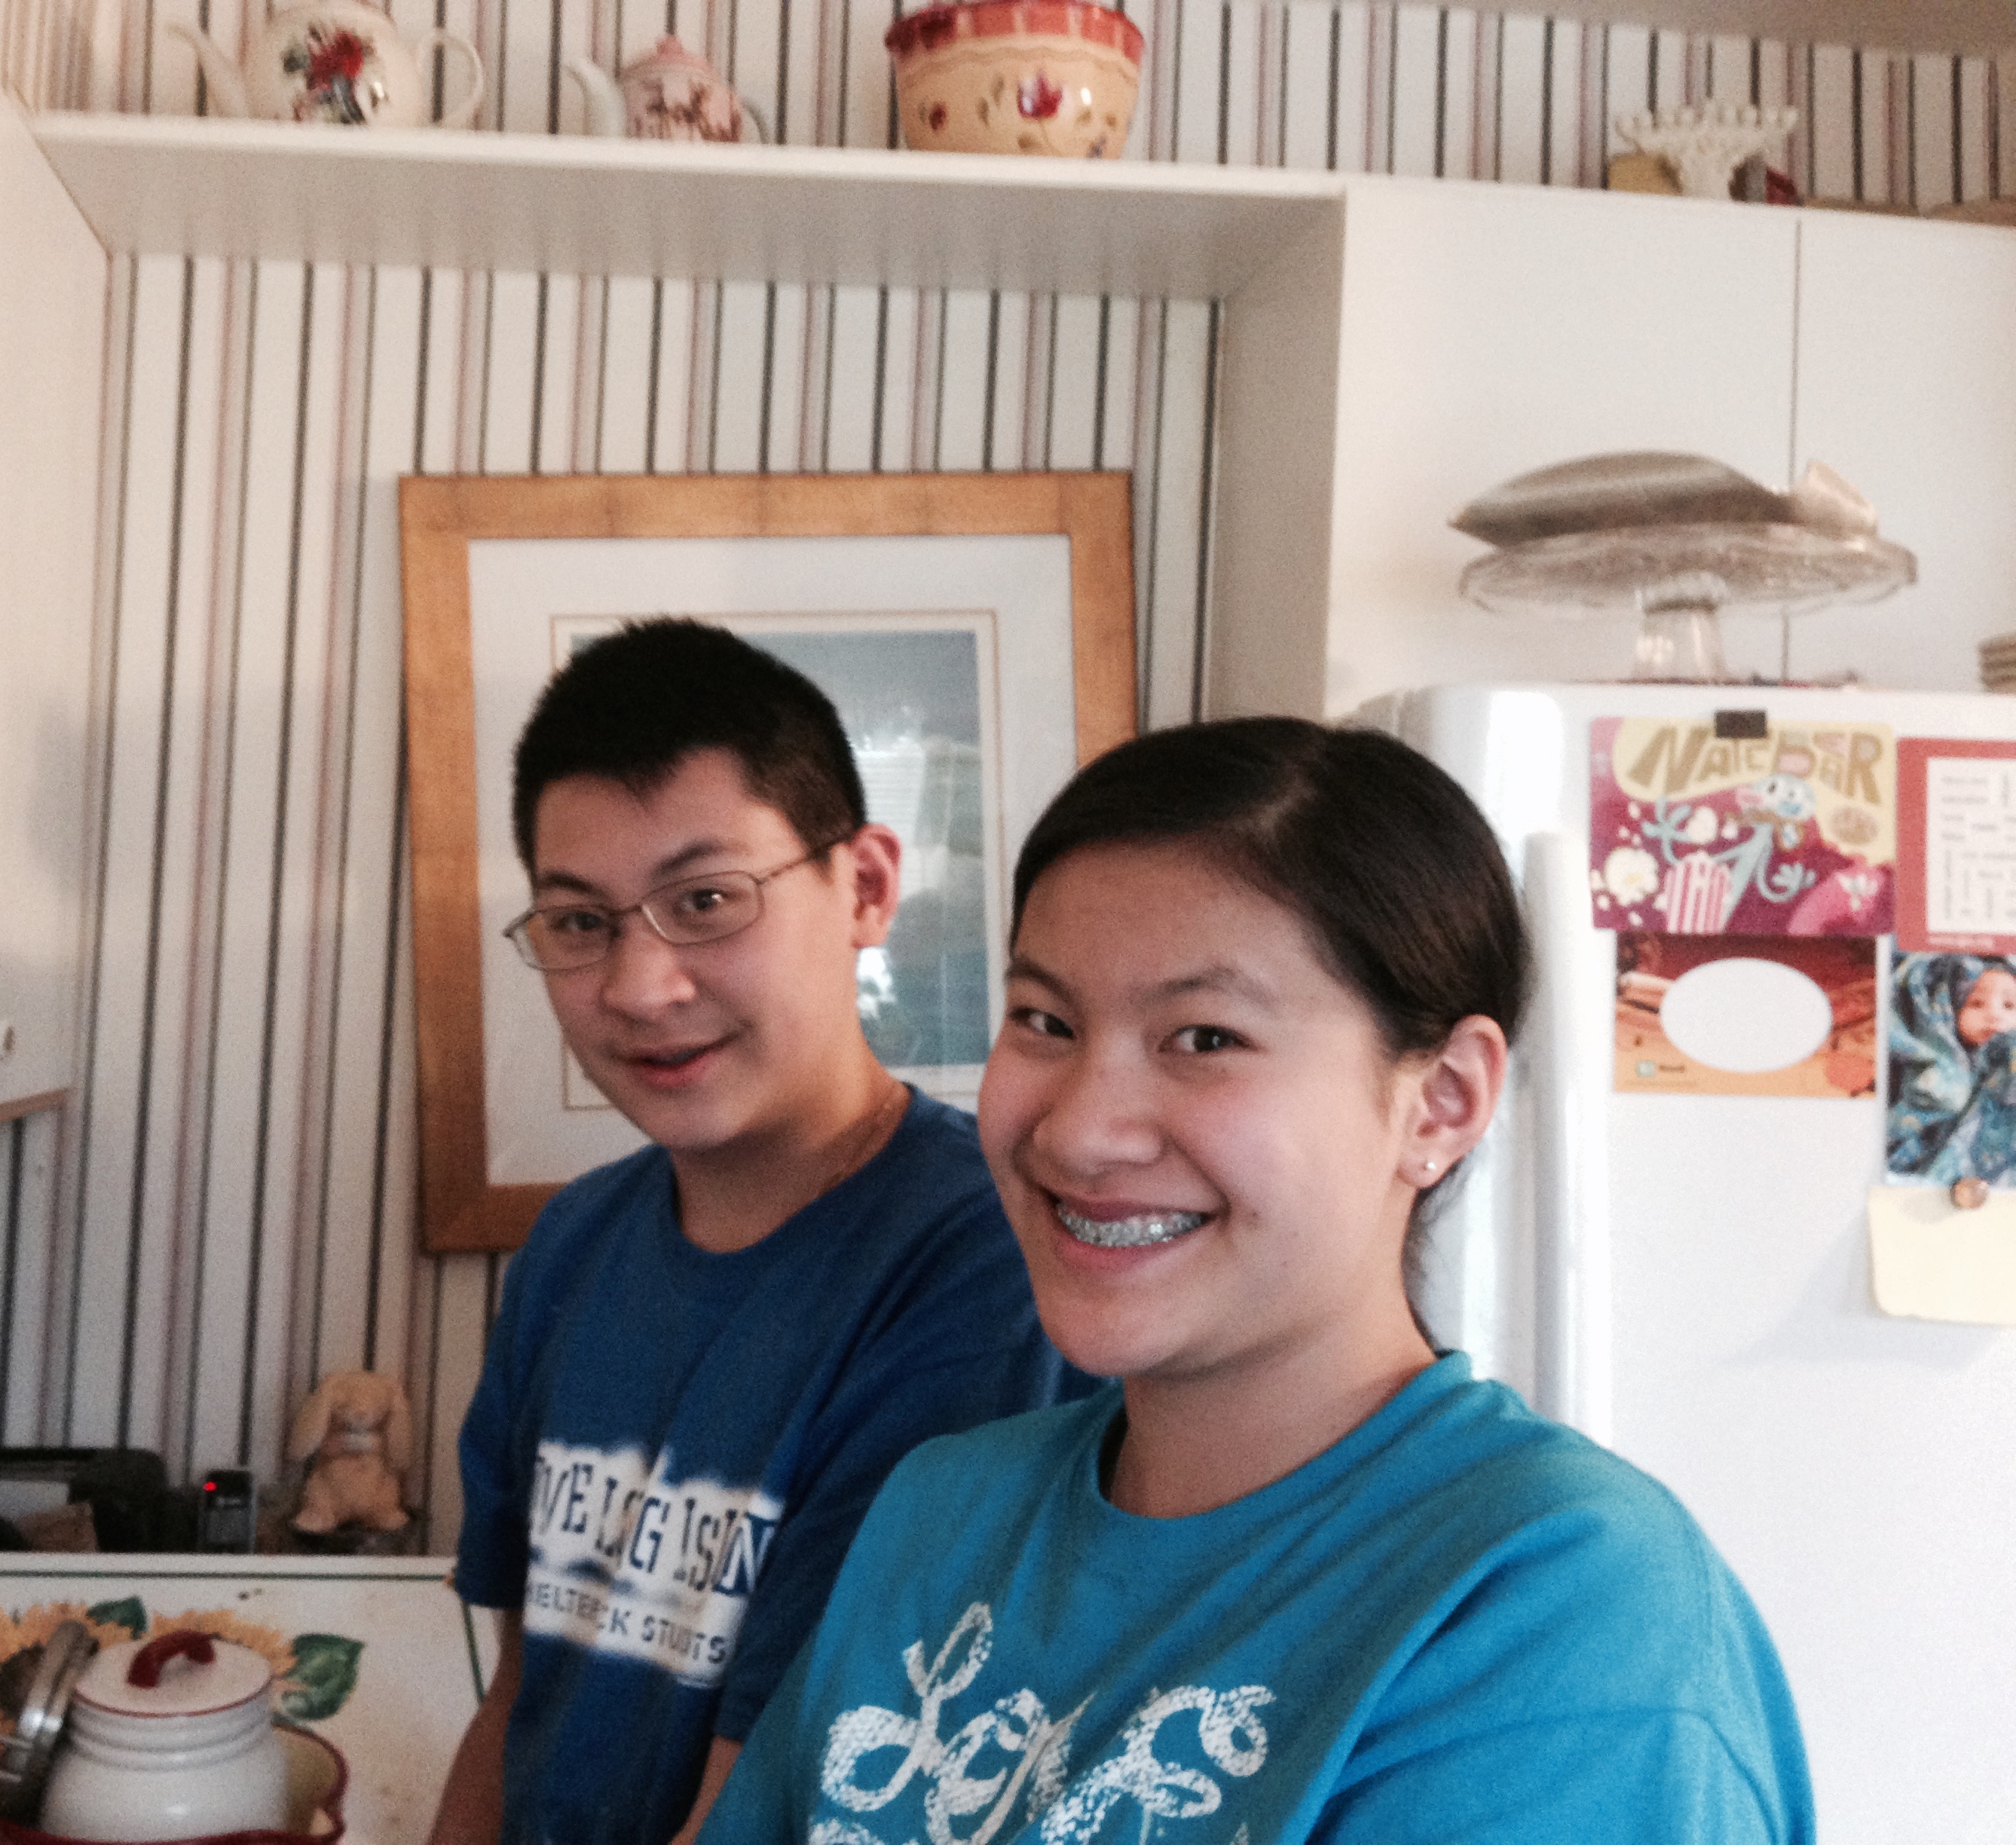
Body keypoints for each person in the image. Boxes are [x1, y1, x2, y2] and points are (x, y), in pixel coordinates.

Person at [698, 717, 1814, 1845]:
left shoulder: (1557, 1600)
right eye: (1045, 1021)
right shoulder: (944, 1512)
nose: (1078, 1132)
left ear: (1441, 1100)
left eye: (1205, 1038)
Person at [430, 620, 1084, 1845]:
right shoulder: (573, 1244)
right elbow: (520, 1699)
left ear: (866, 886)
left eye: (706, 901)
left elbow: (779, 1797)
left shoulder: (983, 1265)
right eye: (579, 922)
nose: (640, 986)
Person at [1886, 950, 2016, 1182]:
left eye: (2009, 1006)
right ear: (1946, 1009)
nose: (1995, 1015)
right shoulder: (1935, 1062)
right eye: (1976, 1003)